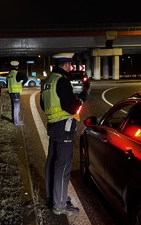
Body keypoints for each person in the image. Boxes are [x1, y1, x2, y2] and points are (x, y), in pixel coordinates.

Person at [40, 53, 87, 216]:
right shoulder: (62, 81)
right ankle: (59, 204)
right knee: (63, 165)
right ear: (66, 65)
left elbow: (43, 104)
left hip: (53, 125)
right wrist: (81, 99)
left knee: (52, 161)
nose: (71, 67)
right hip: (64, 127)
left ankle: (52, 197)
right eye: (70, 64)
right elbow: (71, 107)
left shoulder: (48, 82)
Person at [7, 60, 28, 126]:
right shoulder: (17, 73)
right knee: (16, 107)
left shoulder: (9, 74)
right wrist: (22, 84)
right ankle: (16, 122)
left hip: (10, 92)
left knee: (13, 106)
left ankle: (14, 120)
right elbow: (26, 78)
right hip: (15, 92)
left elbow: (7, 83)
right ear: (17, 67)